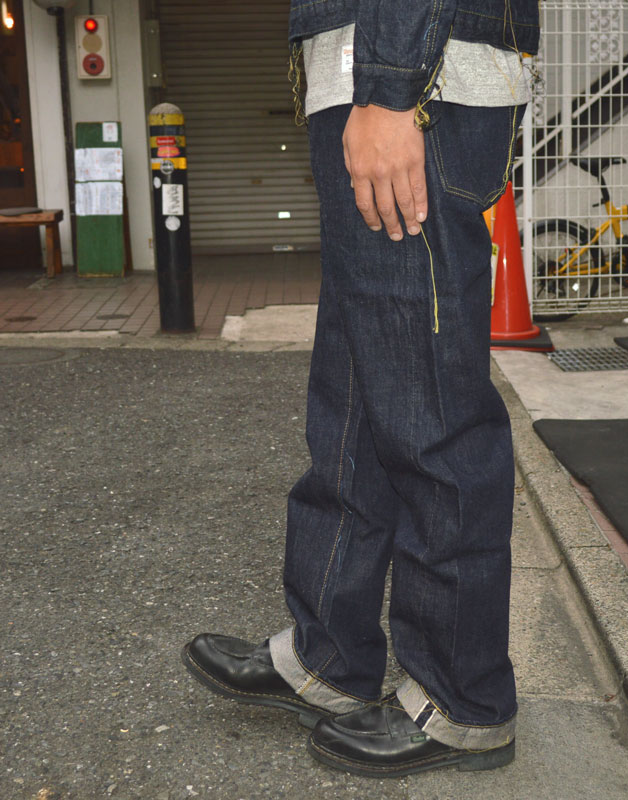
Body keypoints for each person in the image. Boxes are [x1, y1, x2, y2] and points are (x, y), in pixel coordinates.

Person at [183, 0, 540, 778]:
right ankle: (330, 656)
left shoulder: (395, 85)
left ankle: (462, 696)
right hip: (374, 76)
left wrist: (389, 86)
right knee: (352, 401)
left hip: (414, 82)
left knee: (427, 408)